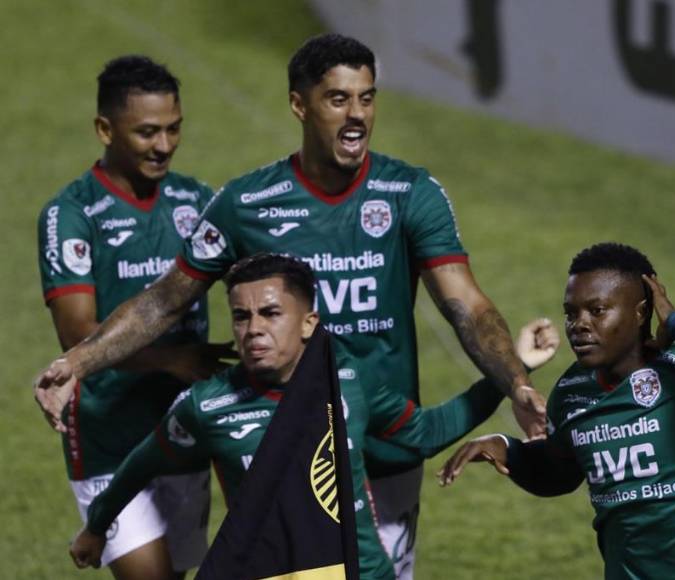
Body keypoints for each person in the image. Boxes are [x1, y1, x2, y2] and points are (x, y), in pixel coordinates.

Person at [34, 33, 545, 578]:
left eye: (367, 98)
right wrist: (77, 364)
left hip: (386, 444)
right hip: (284, 447)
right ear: (300, 104)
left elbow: (463, 302)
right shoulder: (246, 204)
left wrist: (514, 381)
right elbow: (164, 300)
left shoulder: (409, 192)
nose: (356, 115)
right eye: (338, 99)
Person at [68, 253, 560, 580]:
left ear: (309, 323)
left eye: (270, 313)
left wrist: (507, 378)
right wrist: (97, 527)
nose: (254, 329)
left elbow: (423, 433)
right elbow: (142, 462)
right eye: (242, 317)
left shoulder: (347, 379)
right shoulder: (207, 406)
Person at [439, 242, 675, 580]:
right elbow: (559, 472)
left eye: (597, 310)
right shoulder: (572, 391)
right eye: (571, 313)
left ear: (639, 312)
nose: (579, 324)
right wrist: (507, 449)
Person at [35, 55, 235, 579]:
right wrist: (172, 360)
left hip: (183, 429)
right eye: (147, 132)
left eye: (173, 129)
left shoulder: (196, 201)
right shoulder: (72, 214)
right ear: (105, 128)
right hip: (109, 438)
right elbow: (77, 333)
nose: (164, 145)